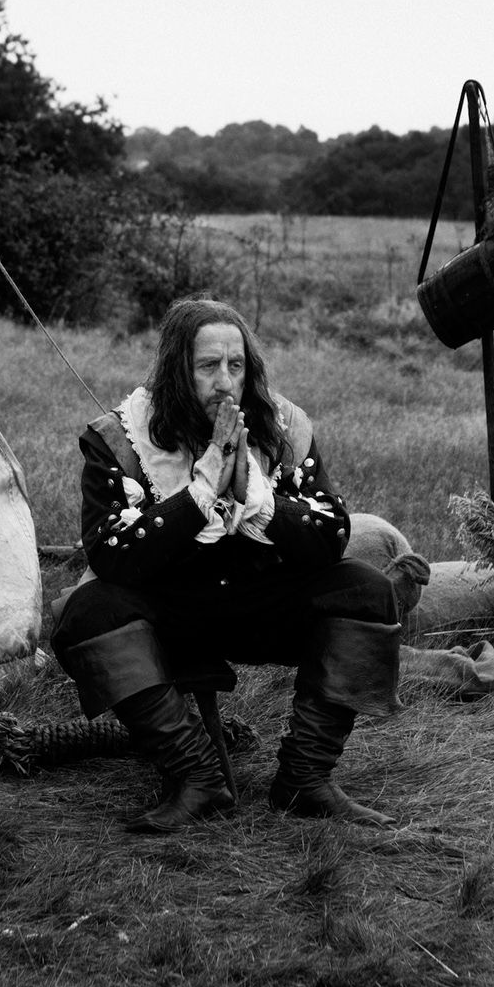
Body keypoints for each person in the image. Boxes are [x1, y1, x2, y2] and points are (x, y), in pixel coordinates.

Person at [50, 298, 401, 832]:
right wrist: (199, 494)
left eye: (235, 366)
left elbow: (330, 535)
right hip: (173, 610)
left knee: (365, 589)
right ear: (176, 371)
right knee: (86, 613)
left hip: (264, 604)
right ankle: (197, 777)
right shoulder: (119, 441)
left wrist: (261, 500)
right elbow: (111, 555)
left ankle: (305, 779)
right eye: (207, 366)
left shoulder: (283, 427)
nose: (224, 382)